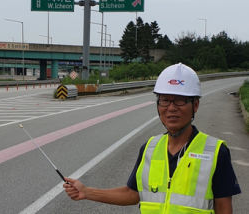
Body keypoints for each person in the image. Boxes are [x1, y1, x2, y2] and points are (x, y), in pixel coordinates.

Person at [64, 63, 241, 213]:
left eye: (179, 100)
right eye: (165, 100)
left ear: (195, 105)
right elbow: (133, 193)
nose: (171, 108)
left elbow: (224, 208)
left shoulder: (215, 152)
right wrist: (86, 192)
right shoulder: (150, 148)